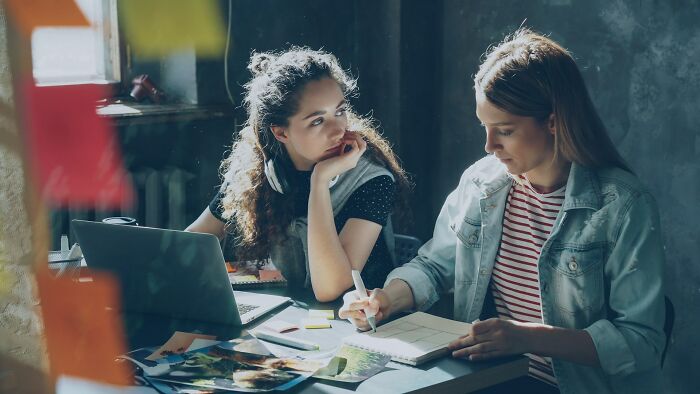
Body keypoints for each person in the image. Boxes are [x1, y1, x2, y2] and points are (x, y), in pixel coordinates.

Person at [339, 28, 665, 393]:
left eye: (504, 131)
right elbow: (433, 266)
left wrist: (529, 338)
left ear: (554, 122)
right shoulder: (482, 183)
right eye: (485, 127)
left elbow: (642, 341)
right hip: (484, 379)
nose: (489, 145)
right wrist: (383, 300)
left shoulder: (622, 206)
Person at [187, 48, 411, 302]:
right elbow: (194, 241)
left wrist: (320, 182)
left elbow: (329, 288)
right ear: (281, 133)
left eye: (339, 111)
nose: (338, 130)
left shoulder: (373, 180)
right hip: (287, 320)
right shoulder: (253, 173)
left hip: (358, 328)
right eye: (317, 121)